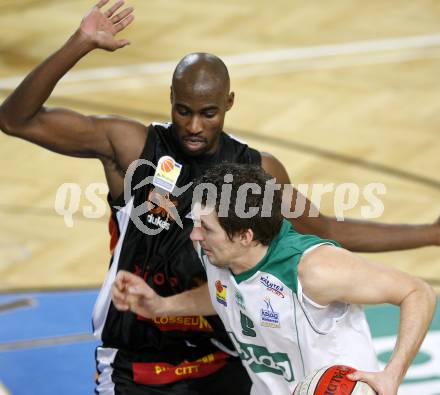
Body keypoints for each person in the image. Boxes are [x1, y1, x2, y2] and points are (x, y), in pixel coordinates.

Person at [0, 0, 438, 393]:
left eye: (207, 113)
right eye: (183, 110)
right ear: (170, 100)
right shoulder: (133, 146)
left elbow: (327, 231)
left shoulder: (258, 171)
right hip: (137, 360)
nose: (193, 126)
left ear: (228, 103)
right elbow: (17, 120)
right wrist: (80, 42)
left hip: (223, 360)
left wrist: (430, 233)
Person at [111, 163, 437, 395]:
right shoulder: (216, 252)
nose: (194, 235)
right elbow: (226, 295)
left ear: (244, 235)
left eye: (205, 227)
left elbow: (417, 292)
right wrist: (161, 305)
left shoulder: (314, 270)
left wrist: (392, 375)